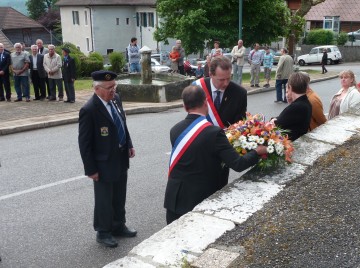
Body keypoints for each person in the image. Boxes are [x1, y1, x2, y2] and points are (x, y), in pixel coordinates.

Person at [164, 85, 267, 224]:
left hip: (174, 199)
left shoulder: (174, 130)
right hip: (198, 200)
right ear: (205, 102)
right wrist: (257, 151)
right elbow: (238, 164)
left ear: (184, 106)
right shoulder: (214, 133)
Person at [78, 70, 137, 248]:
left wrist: (129, 144)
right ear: (97, 89)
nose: (113, 90)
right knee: (104, 199)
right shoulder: (89, 110)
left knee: (119, 194)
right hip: (103, 162)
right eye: (109, 88)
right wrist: (91, 169)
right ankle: (103, 231)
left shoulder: (116, 99)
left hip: (119, 156)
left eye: (114, 86)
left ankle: (118, 225)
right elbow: (84, 144)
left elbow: (122, 123)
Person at [193, 56, 247, 188]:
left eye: (229, 78)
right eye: (221, 79)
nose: (226, 83)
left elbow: (239, 124)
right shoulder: (197, 88)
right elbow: (192, 118)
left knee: (219, 186)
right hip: (200, 148)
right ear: (211, 74)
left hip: (223, 149)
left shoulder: (239, 93)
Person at [271, 72, 312, 141]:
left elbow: (275, 125)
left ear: (290, 87)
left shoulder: (296, 107)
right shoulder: (305, 102)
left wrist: (273, 120)